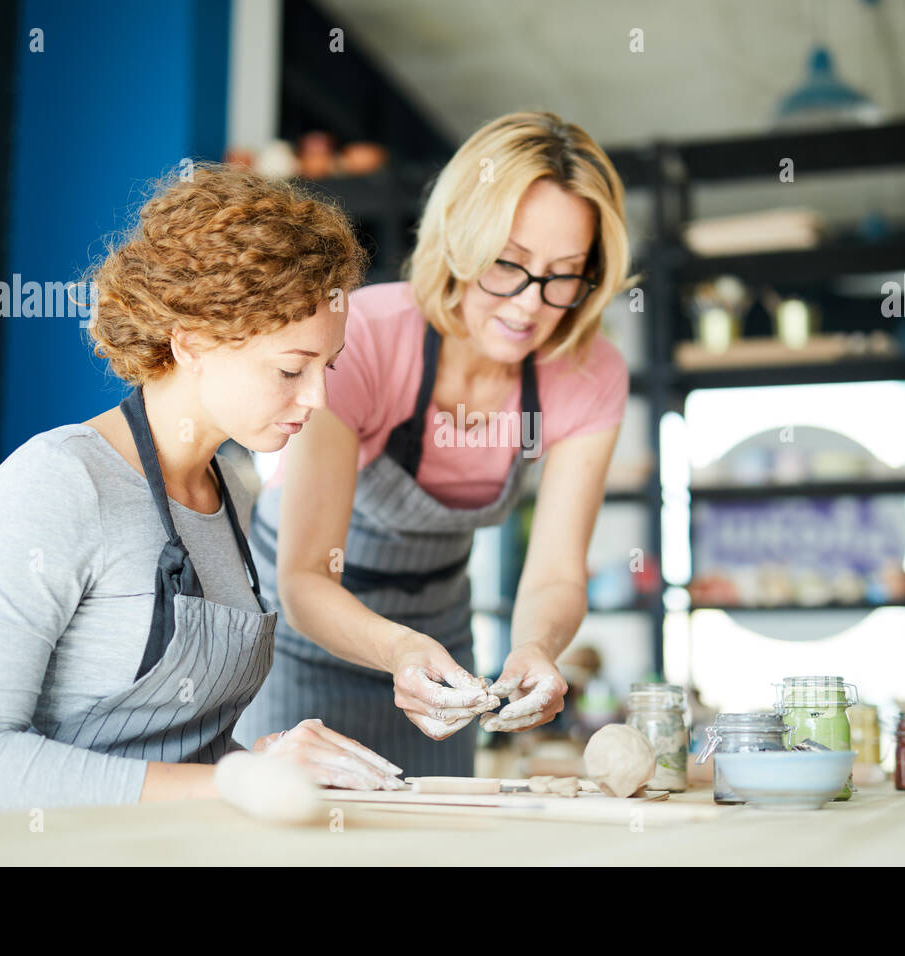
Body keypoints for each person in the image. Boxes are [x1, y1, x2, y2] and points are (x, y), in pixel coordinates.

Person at [0, 165, 403, 814]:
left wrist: (261, 764)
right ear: (191, 341)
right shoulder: (60, 481)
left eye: (328, 367)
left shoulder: (232, 491)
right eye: (292, 368)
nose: (318, 399)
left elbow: (181, 760)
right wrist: (232, 785)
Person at [234, 111, 634, 777]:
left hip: (440, 636)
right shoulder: (362, 336)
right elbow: (305, 578)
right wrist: (396, 652)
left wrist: (536, 647)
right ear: (459, 238)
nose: (531, 304)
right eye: (509, 263)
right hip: (298, 632)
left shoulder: (590, 375)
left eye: (565, 274)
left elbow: (557, 573)